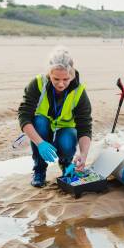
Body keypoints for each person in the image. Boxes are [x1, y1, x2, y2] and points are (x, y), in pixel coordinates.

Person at [17, 47, 92, 188]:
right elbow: (24, 116)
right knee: (38, 121)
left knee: (68, 138)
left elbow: (85, 126)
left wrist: (83, 155)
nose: (61, 84)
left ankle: (66, 165)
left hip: (65, 129)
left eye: (66, 79)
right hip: (42, 129)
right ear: (49, 73)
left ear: (72, 74)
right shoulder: (38, 84)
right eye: (56, 79)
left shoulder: (79, 91)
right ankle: (39, 170)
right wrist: (40, 143)